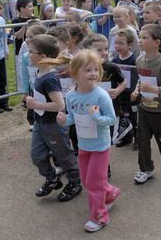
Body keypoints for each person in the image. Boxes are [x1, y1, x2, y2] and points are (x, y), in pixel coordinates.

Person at [57, 50, 119, 233]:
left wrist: (97, 117)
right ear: (74, 74)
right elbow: (72, 118)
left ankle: (99, 217)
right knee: (87, 180)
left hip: (100, 146)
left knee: (93, 183)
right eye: (88, 70)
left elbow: (112, 119)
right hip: (84, 145)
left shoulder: (101, 95)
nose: (93, 73)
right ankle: (111, 193)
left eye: (95, 69)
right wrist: (63, 120)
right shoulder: (71, 96)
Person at [25, 34, 82, 202]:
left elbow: (59, 105)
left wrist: (35, 105)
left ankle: (74, 182)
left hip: (53, 125)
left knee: (64, 155)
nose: (29, 54)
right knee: (37, 155)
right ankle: (52, 179)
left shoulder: (50, 78)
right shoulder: (39, 72)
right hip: (40, 123)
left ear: (42, 56)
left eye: (31, 51)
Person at [131, 24, 161, 184]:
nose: (140, 40)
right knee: (142, 141)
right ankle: (146, 169)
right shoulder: (139, 60)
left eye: (145, 37)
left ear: (157, 42)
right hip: (144, 109)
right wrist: (137, 91)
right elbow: (141, 80)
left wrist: (154, 89)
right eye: (140, 37)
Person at [112, 29, 138, 148]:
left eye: (121, 43)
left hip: (132, 95)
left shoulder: (135, 61)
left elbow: (139, 78)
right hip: (119, 95)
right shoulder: (114, 61)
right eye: (116, 43)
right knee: (122, 116)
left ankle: (138, 139)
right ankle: (126, 137)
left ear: (130, 45)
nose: (117, 46)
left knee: (133, 118)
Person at [20, 23, 47, 131]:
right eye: (26, 36)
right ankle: (33, 121)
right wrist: (25, 91)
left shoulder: (47, 55)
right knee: (33, 104)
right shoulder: (26, 57)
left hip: (45, 87)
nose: (27, 39)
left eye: (31, 37)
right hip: (33, 87)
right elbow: (25, 74)